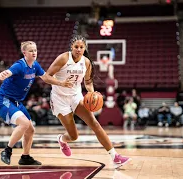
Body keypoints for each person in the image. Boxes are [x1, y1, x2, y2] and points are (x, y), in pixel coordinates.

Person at [46, 35, 131, 169]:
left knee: (94, 123)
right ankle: (62, 139)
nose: (79, 49)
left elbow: (88, 81)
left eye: (81, 47)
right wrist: (61, 82)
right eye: (76, 47)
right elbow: (46, 76)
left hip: (76, 96)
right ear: (71, 47)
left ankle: (115, 157)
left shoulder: (86, 62)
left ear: (85, 48)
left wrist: (91, 92)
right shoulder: (63, 58)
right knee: (74, 136)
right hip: (59, 99)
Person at [0, 41, 73, 165]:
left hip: (16, 102)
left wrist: (61, 83)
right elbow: (8, 72)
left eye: (35, 50)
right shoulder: (19, 65)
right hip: (4, 100)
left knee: (30, 129)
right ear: (24, 53)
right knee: (25, 124)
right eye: (31, 50)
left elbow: (46, 77)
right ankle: (7, 151)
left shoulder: (35, 66)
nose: (34, 52)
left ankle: (25, 157)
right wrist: (3, 74)